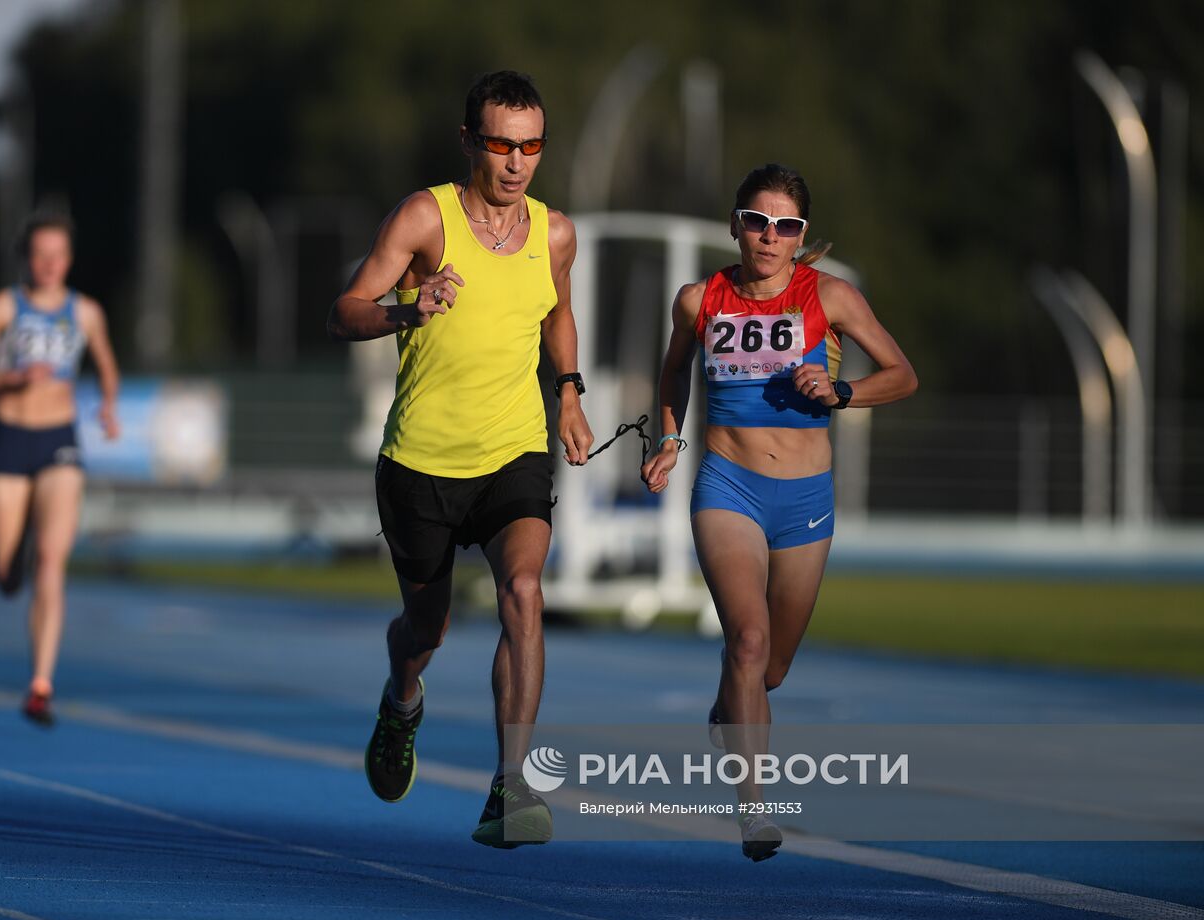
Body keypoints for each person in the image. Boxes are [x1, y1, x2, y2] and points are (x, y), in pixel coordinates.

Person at [328, 70, 594, 848]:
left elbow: (558, 316)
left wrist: (570, 393)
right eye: (502, 145)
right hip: (421, 462)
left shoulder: (555, 234)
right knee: (426, 629)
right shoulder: (424, 218)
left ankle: (514, 786)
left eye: (532, 146)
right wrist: (408, 307)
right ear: (471, 141)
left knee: (523, 592)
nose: (517, 162)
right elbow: (345, 311)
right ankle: (402, 699)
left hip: (515, 448)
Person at [641, 164, 917, 861]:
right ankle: (754, 812)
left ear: (800, 237)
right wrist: (668, 439)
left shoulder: (831, 297)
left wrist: (843, 390)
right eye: (757, 221)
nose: (769, 236)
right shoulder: (698, 299)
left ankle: (730, 700)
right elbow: (674, 369)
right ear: (735, 224)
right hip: (726, 486)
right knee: (749, 642)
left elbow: (903, 375)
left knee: (771, 670)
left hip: (805, 501)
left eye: (785, 225)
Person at [0, 212, 120, 728]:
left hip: (57, 442)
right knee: (8, 575)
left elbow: (107, 368)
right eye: (39, 254)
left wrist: (107, 407)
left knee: (51, 560)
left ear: (68, 260)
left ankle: (40, 685)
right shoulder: (4, 307)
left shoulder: (85, 312)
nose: (48, 264)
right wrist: (11, 377)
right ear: (27, 258)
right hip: (8, 438)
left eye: (58, 255)